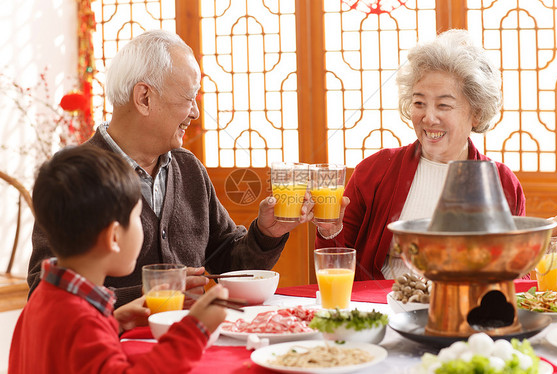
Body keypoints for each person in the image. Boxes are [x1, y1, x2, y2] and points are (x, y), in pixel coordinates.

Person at [27, 29, 313, 307]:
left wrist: (266, 233)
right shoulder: (75, 176)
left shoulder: (189, 168)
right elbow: (44, 291)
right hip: (113, 349)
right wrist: (150, 295)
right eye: (189, 97)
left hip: (187, 346)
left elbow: (228, 262)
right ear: (144, 98)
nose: (196, 112)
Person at [315, 29, 525, 281]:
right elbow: (336, 264)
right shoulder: (376, 170)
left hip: (468, 312)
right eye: (419, 103)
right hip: (385, 310)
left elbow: (517, 275)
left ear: (477, 113)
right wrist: (330, 230)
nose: (428, 117)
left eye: (444, 105)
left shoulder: (502, 182)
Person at [10, 146, 229, 373]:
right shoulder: (82, 322)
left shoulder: (45, 299)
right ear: (114, 237)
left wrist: (113, 322)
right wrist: (195, 330)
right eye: (137, 216)